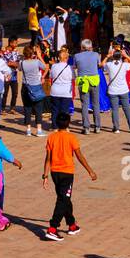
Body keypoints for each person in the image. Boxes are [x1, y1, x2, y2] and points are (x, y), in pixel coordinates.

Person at [42, 109, 97, 241]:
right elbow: (79, 156)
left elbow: (47, 158)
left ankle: (72, 225)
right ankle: (53, 228)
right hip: (67, 173)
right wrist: (90, 170)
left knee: (64, 198)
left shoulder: (51, 137)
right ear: (68, 124)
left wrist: (45, 175)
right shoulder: (71, 138)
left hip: (55, 173)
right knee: (62, 200)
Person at [72, 39, 103, 134]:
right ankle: (97, 126)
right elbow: (99, 65)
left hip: (82, 81)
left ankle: (86, 128)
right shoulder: (96, 55)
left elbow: (75, 67)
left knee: (84, 105)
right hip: (94, 80)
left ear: (82, 47)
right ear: (90, 47)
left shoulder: (76, 56)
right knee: (95, 104)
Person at [104, 44, 130, 133]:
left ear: (113, 56)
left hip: (113, 91)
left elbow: (102, 64)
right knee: (127, 108)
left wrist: (107, 56)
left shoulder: (109, 65)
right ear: (121, 56)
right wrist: (126, 56)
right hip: (123, 90)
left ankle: (116, 128)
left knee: (114, 109)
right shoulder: (124, 65)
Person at [19, 46, 48, 136]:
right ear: (32, 54)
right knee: (38, 109)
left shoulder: (22, 63)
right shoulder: (36, 62)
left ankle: (28, 129)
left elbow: (19, 69)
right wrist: (39, 56)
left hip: (25, 87)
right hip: (36, 86)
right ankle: (39, 130)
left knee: (27, 108)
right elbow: (45, 67)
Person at [46, 45, 75, 128]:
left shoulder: (54, 66)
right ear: (66, 58)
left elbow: (51, 76)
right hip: (66, 92)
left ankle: (54, 126)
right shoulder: (70, 68)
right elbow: (73, 78)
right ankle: (64, 126)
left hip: (55, 91)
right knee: (65, 111)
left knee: (55, 110)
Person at [1, 38, 21, 114]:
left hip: (14, 76)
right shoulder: (4, 52)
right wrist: (12, 64)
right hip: (6, 76)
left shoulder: (16, 52)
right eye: (15, 43)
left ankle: (12, 108)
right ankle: (2, 108)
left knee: (15, 93)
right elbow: (4, 63)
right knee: (5, 93)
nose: (17, 44)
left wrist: (12, 64)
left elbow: (18, 63)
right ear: (10, 43)